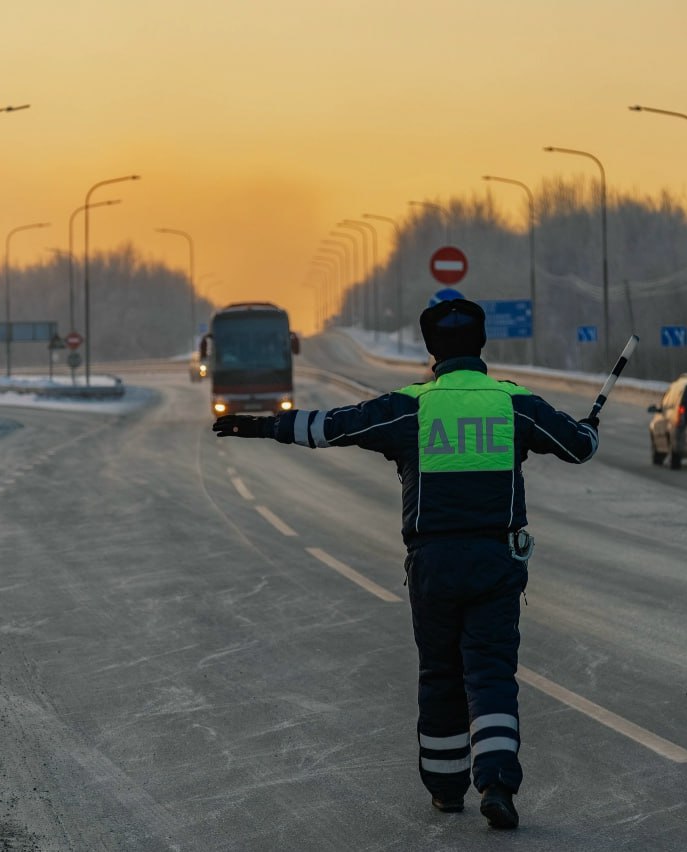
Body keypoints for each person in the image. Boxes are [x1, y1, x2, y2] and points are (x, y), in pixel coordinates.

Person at [212, 298, 599, 829]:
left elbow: (334, 426)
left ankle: (445, 790)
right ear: (482, 345)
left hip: (432, 564)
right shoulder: (514, 403)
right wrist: (589, 427)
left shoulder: (411, 406)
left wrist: (262, 427)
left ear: (431, 350)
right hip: (495, 562)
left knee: (441, 674)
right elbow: (578, 446)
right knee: (490, 673)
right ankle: (496, 784)